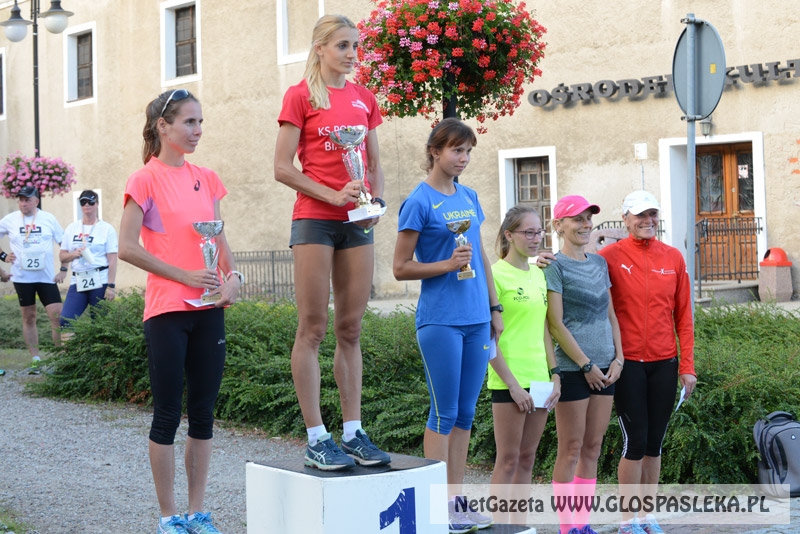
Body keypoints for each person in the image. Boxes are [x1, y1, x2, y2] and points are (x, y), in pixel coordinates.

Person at [119, 89, 242, 534]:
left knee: (204, 413)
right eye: (189, 122)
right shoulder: (144, 180)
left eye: (200, 122)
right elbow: (127, 247)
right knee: (168, 414)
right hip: (167, 311)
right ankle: (169, 518)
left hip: (209, 310)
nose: (197, 130)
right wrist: (184, 275)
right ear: (163, 126)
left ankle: (197, 512)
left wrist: (233, 277)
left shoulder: (207, 178)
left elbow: (219, 239)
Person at [274, 14, 390, 471]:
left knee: (351, 328)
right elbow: (282, 167)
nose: (352, 54)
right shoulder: (300, 95)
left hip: (356, 223)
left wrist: (375, 202)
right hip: (315, 221)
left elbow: (373, 164)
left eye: (355, 46)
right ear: (320, 48)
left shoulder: (365, 98)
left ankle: (353, 431)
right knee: (312, 328)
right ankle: (316, 437)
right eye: (343, 45)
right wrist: (332, 195)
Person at [393, 118, 502, 534]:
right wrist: (445, 264)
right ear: (435, 151)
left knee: (466, 413)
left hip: (477, 318)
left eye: (468, 151)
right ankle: (437, 504)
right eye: (457, 150)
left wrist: (494, 307)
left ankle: (456, 502)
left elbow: (481, 257)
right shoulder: (418, 201)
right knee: (444, 412)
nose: (464, 158)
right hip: (440, 320)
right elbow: (401, 267)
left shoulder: (469, 196)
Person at [598, 190, 696, 534]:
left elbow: (684, 316)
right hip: (627, 364)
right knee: (635, 441)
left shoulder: (673, 257)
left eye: (652, 214)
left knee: (655, 442)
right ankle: (627, 521)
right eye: (640, 215)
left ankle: (646, 516)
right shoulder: (608, 257)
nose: (648, 221)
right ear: (625, 218)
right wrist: (545, 260)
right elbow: (576, 269)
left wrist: (687, 367)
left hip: (665, 362)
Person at [543, 195, 625, 534]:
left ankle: (583, 524)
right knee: (571, 448)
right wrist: (585, 364)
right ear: (559, 225)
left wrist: (619, 358)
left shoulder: (600, 264)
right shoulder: (554, 265)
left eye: (588, 218)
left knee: (593, 447)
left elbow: (611, 315)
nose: (586, 224)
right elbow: (555, 324)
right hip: (573, 369)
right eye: (577, 219)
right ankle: (568, 528)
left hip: (606, 368)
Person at [488, 205, 561, 526]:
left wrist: (555, 374)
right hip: (509, 381)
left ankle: (518, 526)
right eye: (528, 232)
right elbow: (487, 339)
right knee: (507, 460)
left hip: (540, 380)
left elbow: (544, 329)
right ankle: (499, 527)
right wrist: (513, 386)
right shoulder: (494, 275)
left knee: (527, 459)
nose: (535, 238)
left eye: (539, 232)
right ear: (509, 235)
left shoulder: (538, 274)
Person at [0, 186, 68, 370]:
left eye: (27, 200)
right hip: (22, 278)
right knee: (28, 316)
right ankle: (36, 359)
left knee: (57, 315)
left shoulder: (48, 218)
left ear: (36, 201)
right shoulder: (10, 219)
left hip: (46, 277)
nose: (23, 203)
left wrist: (63, 269)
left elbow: (64, 244)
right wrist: (3, 256)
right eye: (21, 200)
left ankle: (60, 359)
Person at [59, 190, 119, 335]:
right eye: (83, 202)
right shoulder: (72, 228)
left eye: (91, 202)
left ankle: (100, 350)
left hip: (100, 279)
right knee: (66, 320)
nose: (87, 205)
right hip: (78, 280)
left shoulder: (107, 229)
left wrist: (111, 286)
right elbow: (62, 256)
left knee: (101, 325)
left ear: (97, 204)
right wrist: (74, 254)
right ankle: (71, 349)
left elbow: (112, 259)